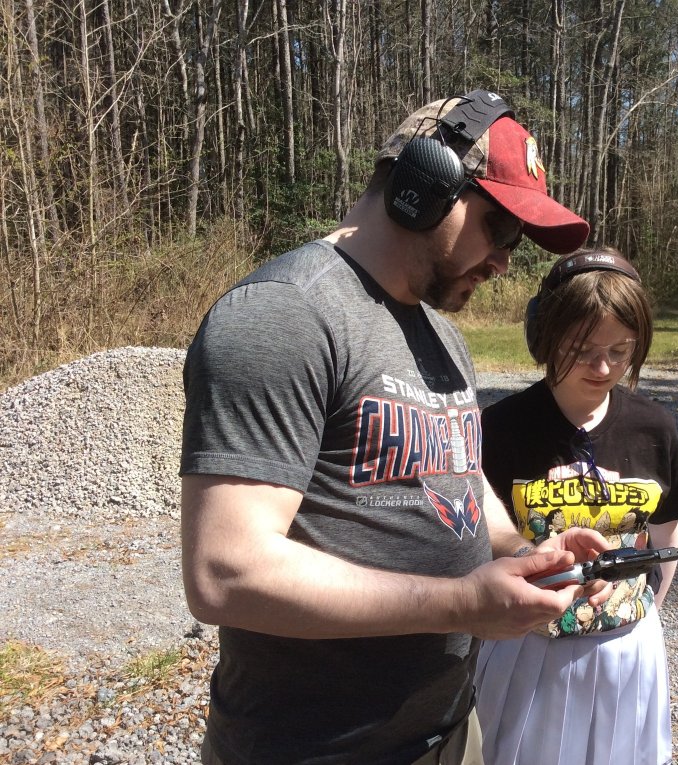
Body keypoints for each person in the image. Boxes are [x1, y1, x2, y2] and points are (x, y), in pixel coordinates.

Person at [179, 90, 613, 765]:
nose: (505, 260)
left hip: (447, 733)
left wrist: (537, 546)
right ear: (423, 186)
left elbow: (462, 486)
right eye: (499, 229)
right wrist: (464, 604)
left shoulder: (443, 335)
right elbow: (225, 572)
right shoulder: (282, 315)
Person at [473, 247, 678, 765]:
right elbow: (477, 536)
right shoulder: (501, 427)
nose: (603, 367)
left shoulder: (653, 426)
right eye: (582, 348)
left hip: (626, 650)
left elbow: (666, 536)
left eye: (621, 352)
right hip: (525, 652)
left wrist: (641, 616)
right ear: (544, 335)